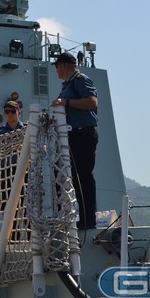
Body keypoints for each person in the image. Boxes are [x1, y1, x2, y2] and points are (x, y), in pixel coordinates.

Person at [51, 51, 98, 230]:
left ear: (62, 65)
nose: (56, 72)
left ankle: (88, 220)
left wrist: (66, 103)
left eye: (57, 67)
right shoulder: (68, 84)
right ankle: (62, 215)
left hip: (83, 134)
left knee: (83, 178)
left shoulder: (80, 79)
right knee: (62, 175)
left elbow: (92, 102)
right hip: (71, 136)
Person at [0, 100, 25, 207]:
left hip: (25, 170)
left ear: (19, 113)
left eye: (13, 111)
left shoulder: (27, 130)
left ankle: (27, 224)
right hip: (7, 171)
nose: (10, 114)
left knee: (26, 204)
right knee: (7, 204)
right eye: (7, 112)